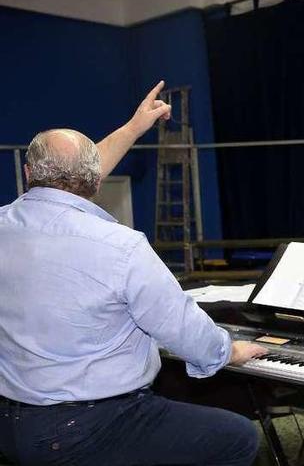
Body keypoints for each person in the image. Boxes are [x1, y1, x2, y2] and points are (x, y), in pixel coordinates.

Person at [0, 82, 267, 466]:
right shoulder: (121, 247)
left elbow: (61, 187)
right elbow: (184, 329)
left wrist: (134, 127)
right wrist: (229, 350)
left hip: (12, 422)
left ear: (27, 172)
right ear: (95, 180)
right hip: (89, 426)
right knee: (239, 437)